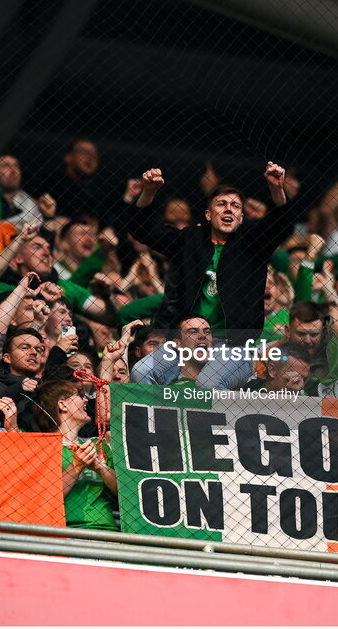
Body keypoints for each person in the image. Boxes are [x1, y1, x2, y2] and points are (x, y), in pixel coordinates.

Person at [125, 162, 309, 345]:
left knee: (207, 376)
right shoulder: (191, 239)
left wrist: (277, 189)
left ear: (241, 218)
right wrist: (148, 192)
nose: (229, 208)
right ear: (208, 215)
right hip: (183, 340)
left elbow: (281, 226)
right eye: (221, 204)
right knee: (143, 371)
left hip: (232, 343)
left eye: (236, 206)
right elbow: (143, 230)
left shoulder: (253, 243)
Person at [32, 379, 118, 530]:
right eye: (79, 395)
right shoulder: (42, 448)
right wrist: (76, 467)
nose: (86, 400)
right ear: (62, 404)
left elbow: (124, 491)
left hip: (105, 531)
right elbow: (43, 499)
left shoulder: (99, 444)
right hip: (62, 532)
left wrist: (99, 467)